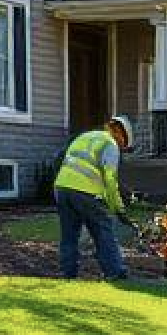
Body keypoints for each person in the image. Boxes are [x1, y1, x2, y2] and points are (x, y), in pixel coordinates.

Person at [53, 115, 136, 281]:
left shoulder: (84, 137)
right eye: (123, 144)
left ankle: (68, 274)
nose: (121, 148)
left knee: (69, 235)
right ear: (121, 134)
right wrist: (118, 209)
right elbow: (110, 179)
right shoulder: (110, 144)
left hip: (62, 188)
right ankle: (115, 272)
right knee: (103, 230)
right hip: (85, 192)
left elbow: (62, 160)